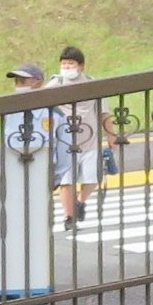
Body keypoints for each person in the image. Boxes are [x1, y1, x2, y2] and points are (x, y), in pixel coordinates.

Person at [0, 61, 56, 305]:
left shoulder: (50, 110)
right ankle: (8, 301)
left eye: (24, 81)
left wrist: (56, 177)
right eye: (17, 81)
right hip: (13, 175)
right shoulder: (10, 110)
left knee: (33, 242)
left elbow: (60, 147)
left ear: (38, 81)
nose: (19, 86)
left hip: (38, 174)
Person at [52, 46, 106, 230]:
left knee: (92, 179)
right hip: (64, 142)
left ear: (81, 66)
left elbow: (103, 111)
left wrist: (111, 135)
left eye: (71, 63)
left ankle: (80, 202)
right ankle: (69, 217)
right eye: (64, 63)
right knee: (66, 181)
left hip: (90, 140)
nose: (67, 67)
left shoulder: (92, 83)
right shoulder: (55, 84)